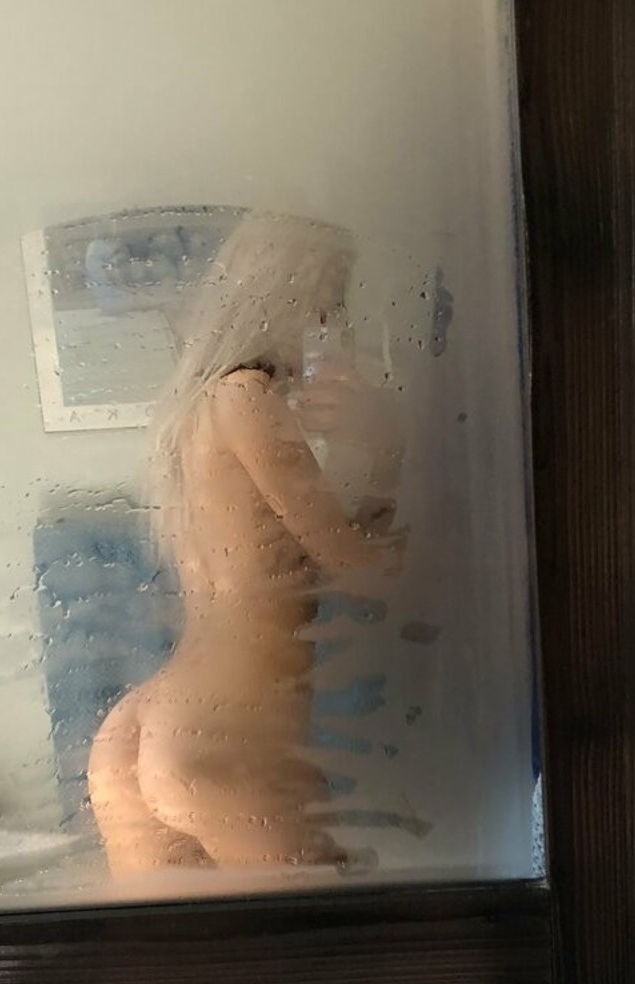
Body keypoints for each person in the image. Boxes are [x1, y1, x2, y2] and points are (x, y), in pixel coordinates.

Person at [88, 212, 403, 872]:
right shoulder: (246, 399)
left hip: (144, 730)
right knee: (329, 932)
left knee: (184, 946)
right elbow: (364, 570)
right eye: (327, 305)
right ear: (283, 299)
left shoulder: (195, 411)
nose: (333, 327)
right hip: (229, 739)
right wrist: (385, 451)